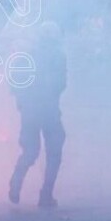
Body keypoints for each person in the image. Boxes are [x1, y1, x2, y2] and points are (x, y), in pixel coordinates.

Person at [8, 21, 68, 209]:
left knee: (30, 151)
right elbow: (61, 84)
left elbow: (14, 83)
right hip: (49, 111)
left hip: (30, 112)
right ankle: (46, 194)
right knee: (54, 152)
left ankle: (16, 183)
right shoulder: (58, 57)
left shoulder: (27, 57)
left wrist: (23, 102)